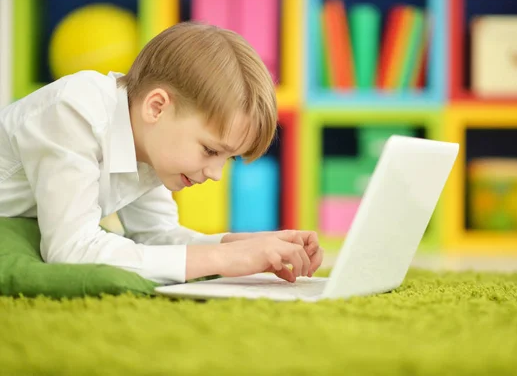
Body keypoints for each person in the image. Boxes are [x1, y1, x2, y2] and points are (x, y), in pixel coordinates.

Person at [0, 21, 323, 285]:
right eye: (210, 150)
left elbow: (157, 236)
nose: (215, 174)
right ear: (157, 107)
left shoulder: (151, 144)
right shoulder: (74, 112)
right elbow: (70, 249)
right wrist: (224, 260)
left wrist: (247, 246)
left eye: (229, 158)